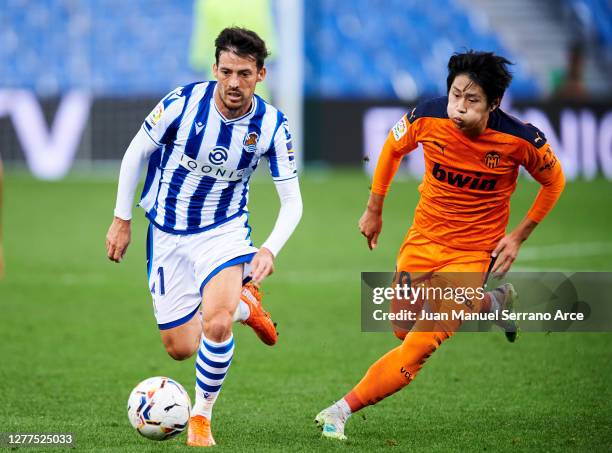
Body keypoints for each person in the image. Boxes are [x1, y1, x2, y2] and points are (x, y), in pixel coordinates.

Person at [315, 51, 565, 440]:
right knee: (401, 329)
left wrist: (517, 236)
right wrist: (374, 209)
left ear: (494, 103)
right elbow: (392, 149)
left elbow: (555, 182)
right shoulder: (426, 116)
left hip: (472, 255)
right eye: (455, 95)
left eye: (472, 100)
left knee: (415, 349)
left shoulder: (521, 140)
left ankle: (340, 410)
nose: (459, 107)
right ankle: (495, 303)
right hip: (423, 241)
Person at [105, 27, 302, 447]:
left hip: (224, 231)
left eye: (244, 74)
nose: (234, 83)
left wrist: (269, 247)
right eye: (227, 71)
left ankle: (200, 417)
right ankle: (245, 306)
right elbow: (135, 152)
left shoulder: (272, 125)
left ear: (261, 74)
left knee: (215, 323)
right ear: (214, 68)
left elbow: (293, 202)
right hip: (167, 231)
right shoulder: (182, 103)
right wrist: (122, 220)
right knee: (180, 347)